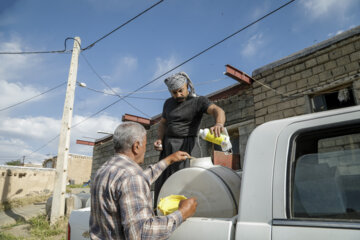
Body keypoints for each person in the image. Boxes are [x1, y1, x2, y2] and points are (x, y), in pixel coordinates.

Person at [90, 122, 198, 240]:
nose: (145, 150)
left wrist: (169, 160)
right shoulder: (131, 176)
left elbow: (140, 178)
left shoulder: (103, 170)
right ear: (136, 146)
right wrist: (182, 213)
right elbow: (141, 234)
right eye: (145, 145)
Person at [153, 72, 226, 207]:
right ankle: (161, 213)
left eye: (181, 91)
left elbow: (217, 110)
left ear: (187, 86)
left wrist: (219, 124)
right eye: (174, 93)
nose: (178, 95)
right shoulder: (168, 103)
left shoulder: (198, 101)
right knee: (163, 181)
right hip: (168, 147)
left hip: (187, 147)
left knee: (183, 182)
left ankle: (185, 212)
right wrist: (160, 139)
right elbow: (163, 122)